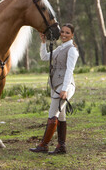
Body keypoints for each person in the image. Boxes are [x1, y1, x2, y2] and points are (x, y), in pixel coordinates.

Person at [29, 23, 79, 154]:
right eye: (62, 32)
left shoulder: (72, 50)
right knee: (61, 116)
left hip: (64, 86)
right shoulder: (60, 48)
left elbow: (70, 70)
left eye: (67, 32)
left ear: (72, 35)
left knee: (52, 115)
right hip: (56, 85)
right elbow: (44, 57)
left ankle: (44, 145)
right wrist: (43, 42)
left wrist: (65, 89)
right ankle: (61, 147)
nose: (63, 34)